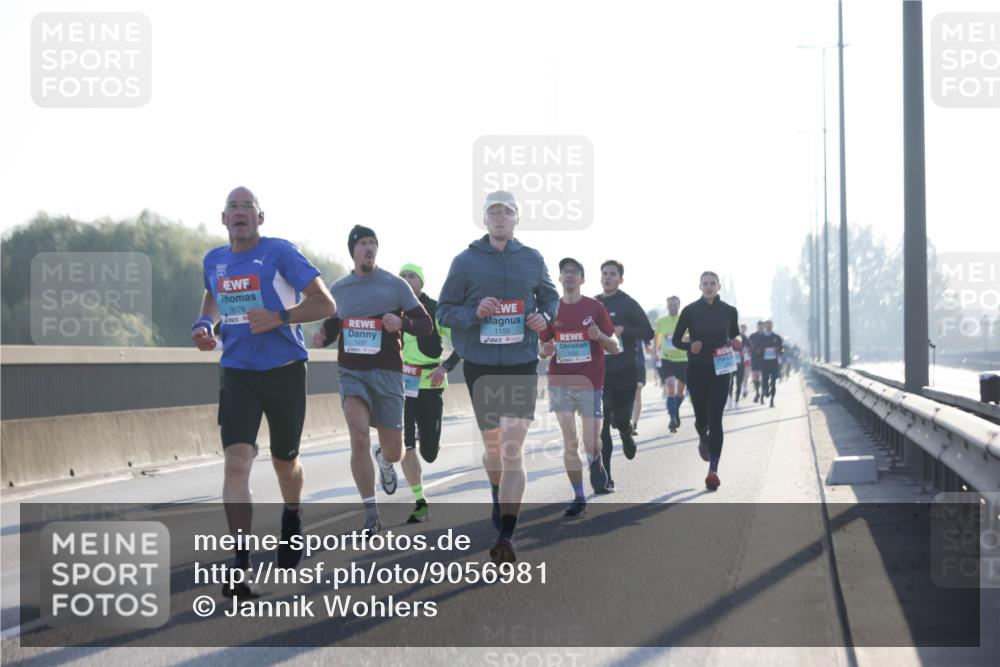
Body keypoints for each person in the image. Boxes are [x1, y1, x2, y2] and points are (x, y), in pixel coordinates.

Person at [193, 186, 335, 598]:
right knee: (236, 463)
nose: (240, 213)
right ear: (223, 219)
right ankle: (240, 564)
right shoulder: (214, 260)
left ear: (260, 217)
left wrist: (279, 317)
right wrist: (204, 324)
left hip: (284, 371)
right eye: (232, 207)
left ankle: (292, 514)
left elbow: (325, 304)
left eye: (247, 207)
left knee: (284, 462)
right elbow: (212, 294)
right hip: (238, 373)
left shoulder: (280, 253)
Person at [437, 190, 559, 563]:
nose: (500, 217)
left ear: (517, 217)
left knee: (511, 448)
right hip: (482, 366)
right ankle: (497, 491)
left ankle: (507, 534)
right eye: (494, 211)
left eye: (507, 211)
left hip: (521, 363)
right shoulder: (465, 261)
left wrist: (544, 317)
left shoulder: (532, 259)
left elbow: (550, 299)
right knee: (494, 449)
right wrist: (474, 313)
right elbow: (444, 311)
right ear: (485, 218)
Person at [313, 226, 432, 535]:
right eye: (363, 243)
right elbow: (333, 325)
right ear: (352, 250)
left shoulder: (394, 285)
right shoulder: (340, 288)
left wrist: (401, 322)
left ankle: (385, 460)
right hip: (351, 373)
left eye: (373, 243)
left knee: (394, 451)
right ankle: (370, 513)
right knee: (358, 434)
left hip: (388, 374)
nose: (369, 248)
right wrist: (323, 335)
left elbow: (425, 324)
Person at [538, 258, 617, 516]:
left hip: (590, 382)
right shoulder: (551, 309)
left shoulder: (595, 307)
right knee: (570, 441)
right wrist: (544, 349)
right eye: (565, 272)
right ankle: (579, 496)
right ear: (560, 278)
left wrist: (600, 336)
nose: (569, 275)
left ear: (582, 279)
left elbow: (615, 346)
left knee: (591, 442)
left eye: (575, 272)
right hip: (560, 382)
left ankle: (595, 459)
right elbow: (542, 349)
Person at [398, 262, 462, 523]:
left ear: (421, 282)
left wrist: (445, 367)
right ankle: (420, 501)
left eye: (411, 276)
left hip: (431, 383)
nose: (406, 279)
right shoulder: (393, 310)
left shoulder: (435, 309)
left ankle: (405, 443)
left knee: (430, 453)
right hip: (402, 383)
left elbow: (461, 343)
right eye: (402, 276)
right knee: (406, 445)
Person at [671, 271, 741, 491]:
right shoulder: (690, 310)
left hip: (722, 368)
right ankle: (703, 435)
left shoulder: (729, 311)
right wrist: (689, 346)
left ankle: (713, 470)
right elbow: (676, 340)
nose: (709, 286)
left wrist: (737, 341)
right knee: (702, 417)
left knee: (716, 417)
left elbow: (735, 334)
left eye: (712, 283)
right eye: (705, 283)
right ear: (699, 286)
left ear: (719, 286)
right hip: (697, 368)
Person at [595, 260, 654, 491]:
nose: (608, 277)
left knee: (620, 420)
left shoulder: (628, 304)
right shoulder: (594, 303)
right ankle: (606, 477)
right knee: (602, 425)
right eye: (604, 274)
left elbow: (648, 332)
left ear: (620, 279)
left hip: (625, 371)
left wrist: (624, 330)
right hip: (601, 372)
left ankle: (626, 432)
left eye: (612, 274)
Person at [654, 296, 688, 433]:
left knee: (680, 392)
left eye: (675, 305)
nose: (672, 307)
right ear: (667, 306)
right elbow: (657, 337)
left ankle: (676, 411)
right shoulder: (661, 321)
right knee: (670, 388)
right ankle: (673, 418)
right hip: (667, 359)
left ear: (679, 306)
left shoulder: (685, 320)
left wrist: (684, 338)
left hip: (683, 359)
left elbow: (692, 337)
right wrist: (655, 351)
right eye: (670, 305)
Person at [758, 320, 784, 407]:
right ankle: (765, 391)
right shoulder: (761, 337)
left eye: (770, 325)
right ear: (765, 326)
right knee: (765, 380)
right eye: (767, 325)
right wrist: (761, 351)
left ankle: (772, 400)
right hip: (764, 362)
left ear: (772, 326)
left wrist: (779, 350)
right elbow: (757, 349)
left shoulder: (776, 337)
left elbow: (781, 349)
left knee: (773, 381)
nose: (769, 326)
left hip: (774, 362)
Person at [730, 323, 751, 409]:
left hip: (740, 364)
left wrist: (745, 350)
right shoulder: (729, 337)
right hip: (730, 365)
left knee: (738, 383)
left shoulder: (744, 337)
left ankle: (736, 402)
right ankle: (729, 400)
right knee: (730, 383)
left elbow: (749, 347)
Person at [748, 321, 766, 403]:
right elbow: (748, 346)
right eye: (759, 326)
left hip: (764, 358)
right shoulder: (752, 336)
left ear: (764, 327)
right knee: (755, 376)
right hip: (755, 358)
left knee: (764, 376)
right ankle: (757, 393)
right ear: (757, 326)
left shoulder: (766, 336)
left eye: (762, 326)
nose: (760, 327)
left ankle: (762, 394)